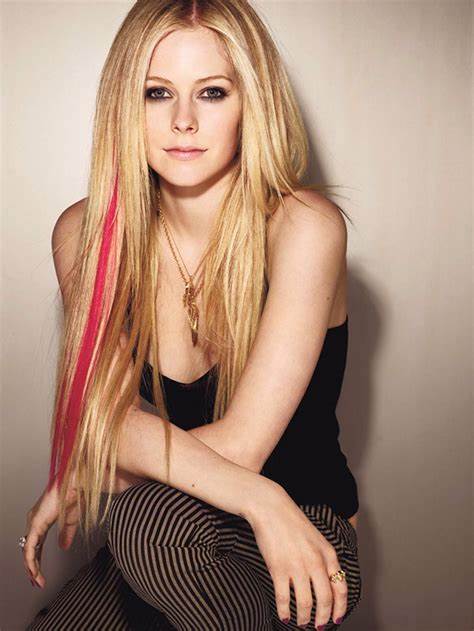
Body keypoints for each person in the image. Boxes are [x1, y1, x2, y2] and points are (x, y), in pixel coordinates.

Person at [21, 0, 362, 629]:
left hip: (299, 531)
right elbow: (110, 423)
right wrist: (257, 497)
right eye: (157, 93)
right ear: (125, 105)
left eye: (211, 92)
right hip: (178, 532)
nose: (183, 120)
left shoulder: (304, 228)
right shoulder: (86, 235)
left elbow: (241, 447)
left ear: (251, 102)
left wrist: (100, 475)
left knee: (141, 522)